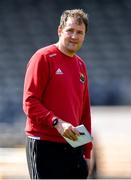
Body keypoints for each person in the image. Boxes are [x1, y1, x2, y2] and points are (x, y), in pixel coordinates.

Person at [23, 9, 93, 179]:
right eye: (70, 30)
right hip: (44, 144)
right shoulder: (43, 57)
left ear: (84, 36)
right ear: (60, 30)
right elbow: (29, 102)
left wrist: (87, 152)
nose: (74, 36)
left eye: (79, 32)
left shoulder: (81, 65)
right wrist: (56, 122)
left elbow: (84, 111)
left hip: (74, 145)